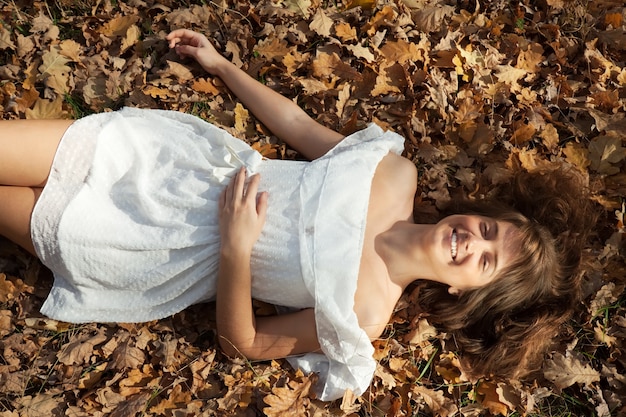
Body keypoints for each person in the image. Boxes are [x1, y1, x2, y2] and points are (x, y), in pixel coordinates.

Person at [0, 29, 596, 400]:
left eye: (485, 262)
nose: (471, 242)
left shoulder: (363, 314)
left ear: (469, 292)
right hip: (170, 162)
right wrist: (225, 68)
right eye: (488, 229)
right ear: (482, 212)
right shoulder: (393, 173)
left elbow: (247, 343)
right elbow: (298, 127)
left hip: (150, 246)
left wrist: (236, 250)